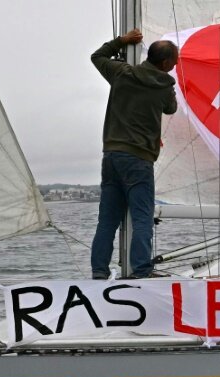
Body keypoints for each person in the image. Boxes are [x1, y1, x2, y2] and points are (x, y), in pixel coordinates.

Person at [90, 29, 178, 279]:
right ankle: (141, 270)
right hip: (139, 160)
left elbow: (97, 56)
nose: (177, 63)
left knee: (107, 221)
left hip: (112, 156)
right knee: (142, 218)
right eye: (175, 60)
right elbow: (171, 109)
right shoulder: (164, 85)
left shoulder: (121, 73)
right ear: (165, 64)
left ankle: (99, 272)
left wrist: (122, 41)